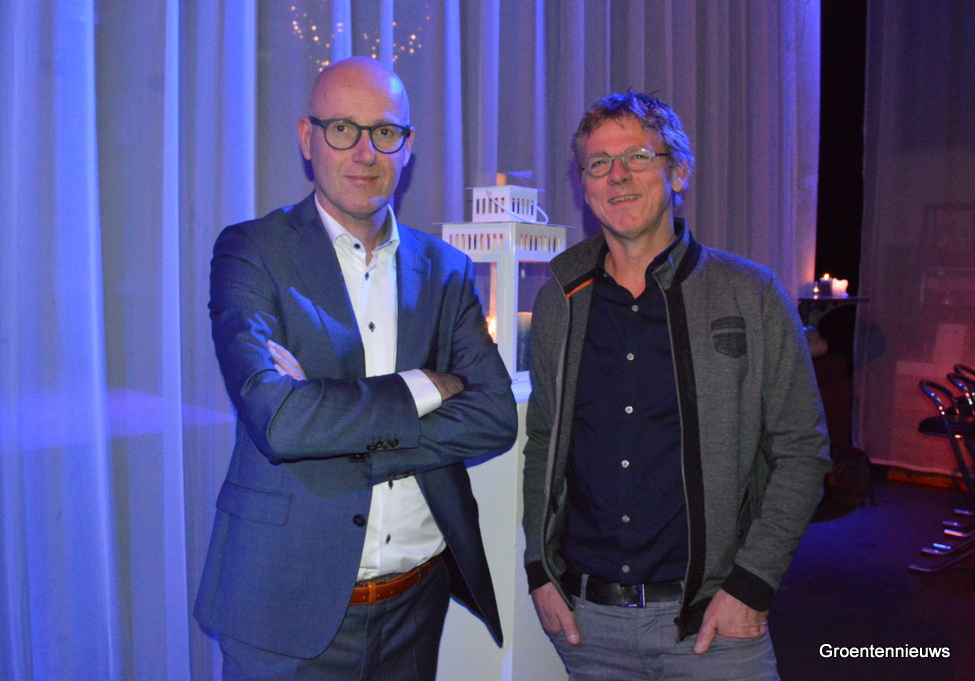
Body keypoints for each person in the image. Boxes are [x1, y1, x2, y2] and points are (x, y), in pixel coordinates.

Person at [195, 56, 517, 680]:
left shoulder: (446, 269)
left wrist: (336, 427)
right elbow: (281, 423)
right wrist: (425, 386)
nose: (365, 152)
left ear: (407, 146)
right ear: (307, 137)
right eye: (342, 128)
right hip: (283, 611)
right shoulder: (252, 251)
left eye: (385, 132)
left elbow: (495, 417)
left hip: (416, 602)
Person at [521, 90, 831, 680]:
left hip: (714, 626)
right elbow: (543, 442)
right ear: (584, 185)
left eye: (638, 156)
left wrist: (752, 585)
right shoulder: (561, 300)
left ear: (679, 171)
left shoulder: (751, 293)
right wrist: (539, 568)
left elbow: (801, 450)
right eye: (598, 163)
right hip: (588, 627)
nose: (617, 176)